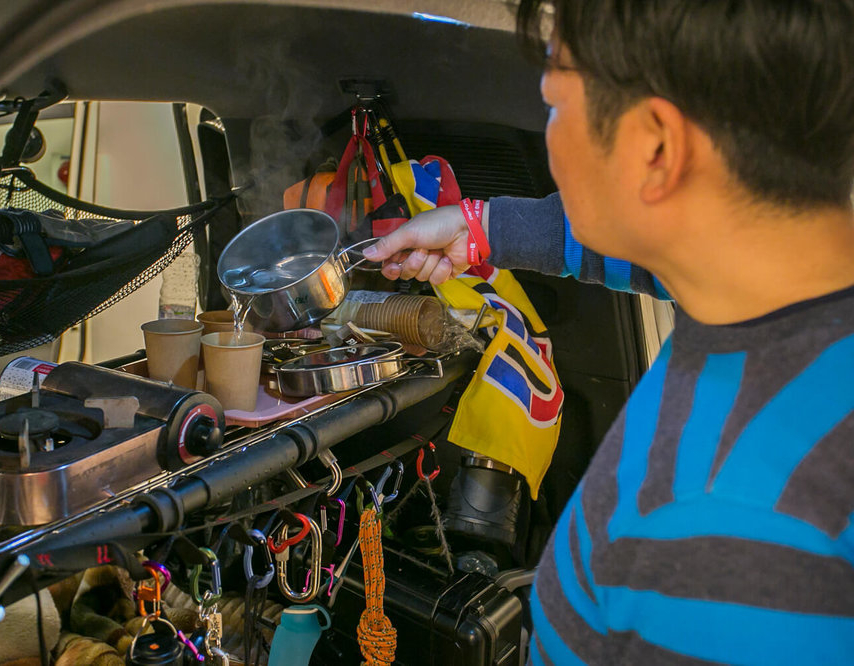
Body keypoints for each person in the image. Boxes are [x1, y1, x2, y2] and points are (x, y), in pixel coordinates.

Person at [363, 0, 854, 663]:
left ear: (656, 148)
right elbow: (648, 243)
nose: (550, 131)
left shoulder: (730, 538)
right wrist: (478, 228)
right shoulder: (782, 275)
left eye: (556, 105)